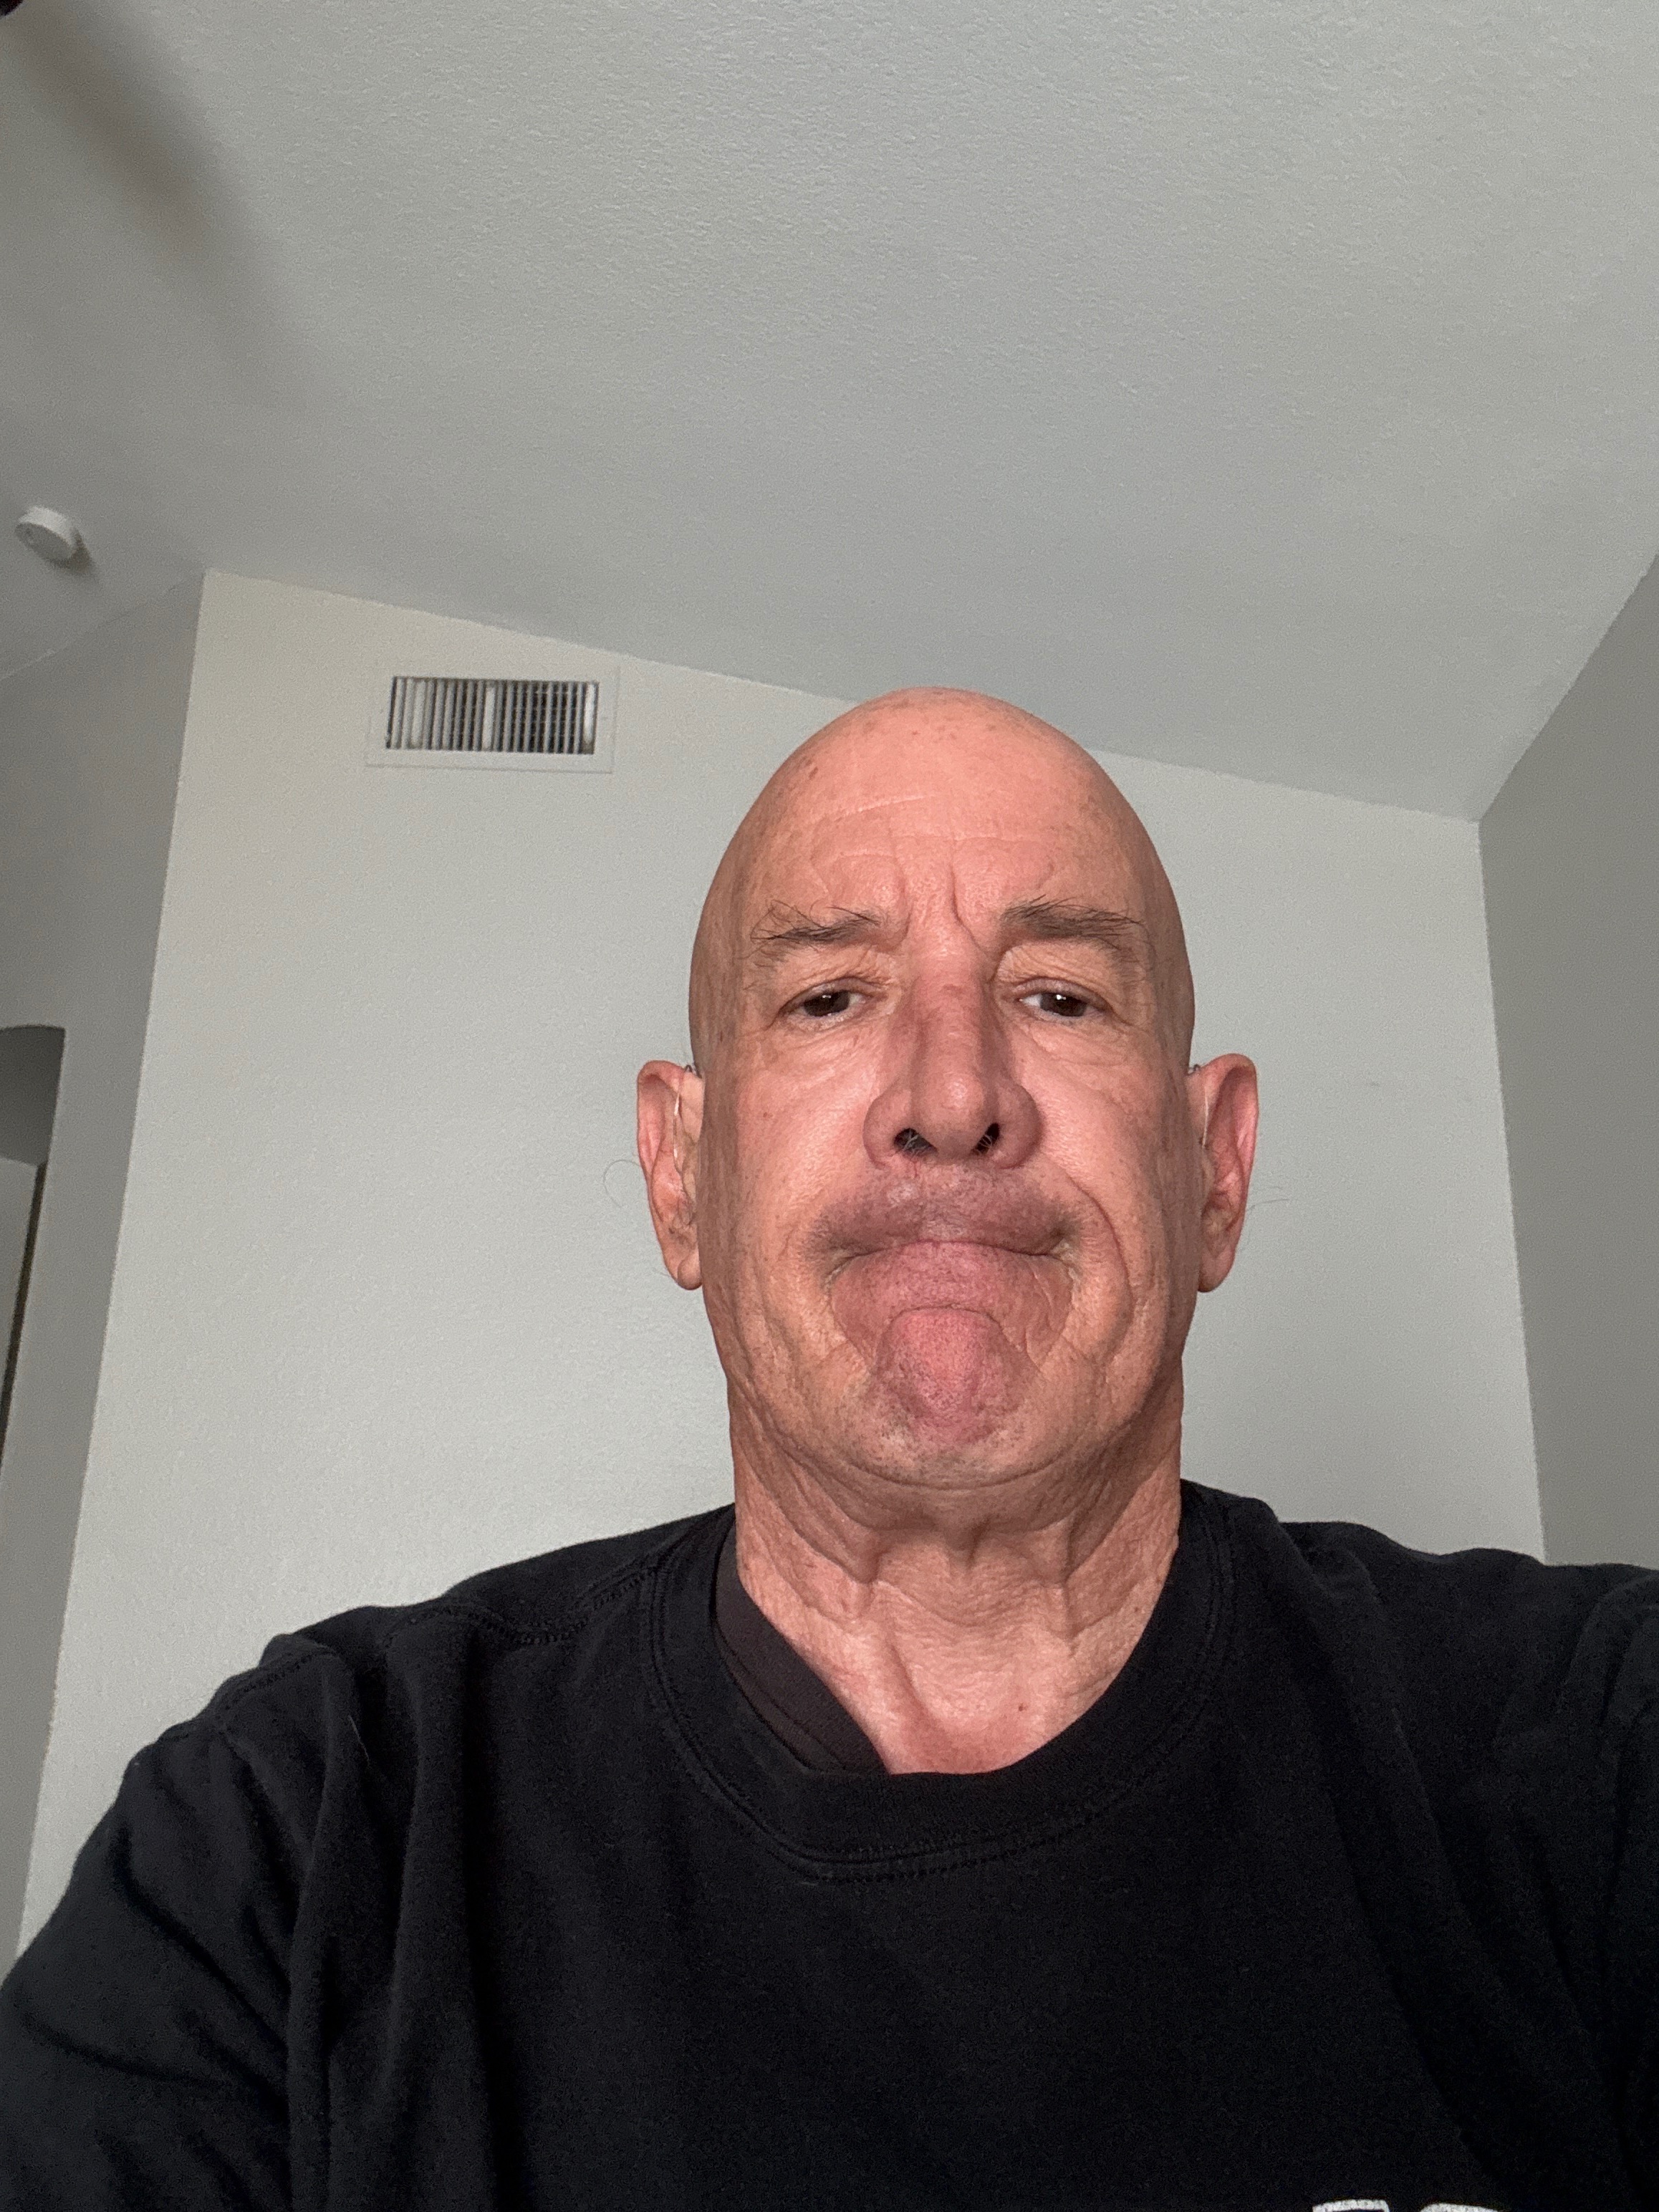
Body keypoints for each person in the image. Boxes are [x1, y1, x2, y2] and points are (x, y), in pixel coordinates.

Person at [1, 690, 1657, 2212]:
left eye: (1059, 992)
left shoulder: (1600, 1749)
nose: (953, 1092)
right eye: (829, 994)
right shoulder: (296, 1834)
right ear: (680, 1171)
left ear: (1213, 1167)